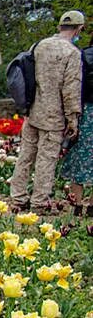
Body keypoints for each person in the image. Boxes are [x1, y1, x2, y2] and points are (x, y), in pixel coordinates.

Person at [8, 10, 84, 214]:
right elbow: (71, 88)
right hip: (54, 114)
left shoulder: (40, 45)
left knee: (26, 155)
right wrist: (72, 119)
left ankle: (17, 196)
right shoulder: (72, 54)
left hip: (33, 108)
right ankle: (40, 200)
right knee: (46, 158)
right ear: (79, 29)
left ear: (60, 26)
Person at [60, 32, 93, 216]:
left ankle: (77, 204)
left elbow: (75, 85)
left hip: (86, 110)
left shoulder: (83, 55)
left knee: (80, 155)